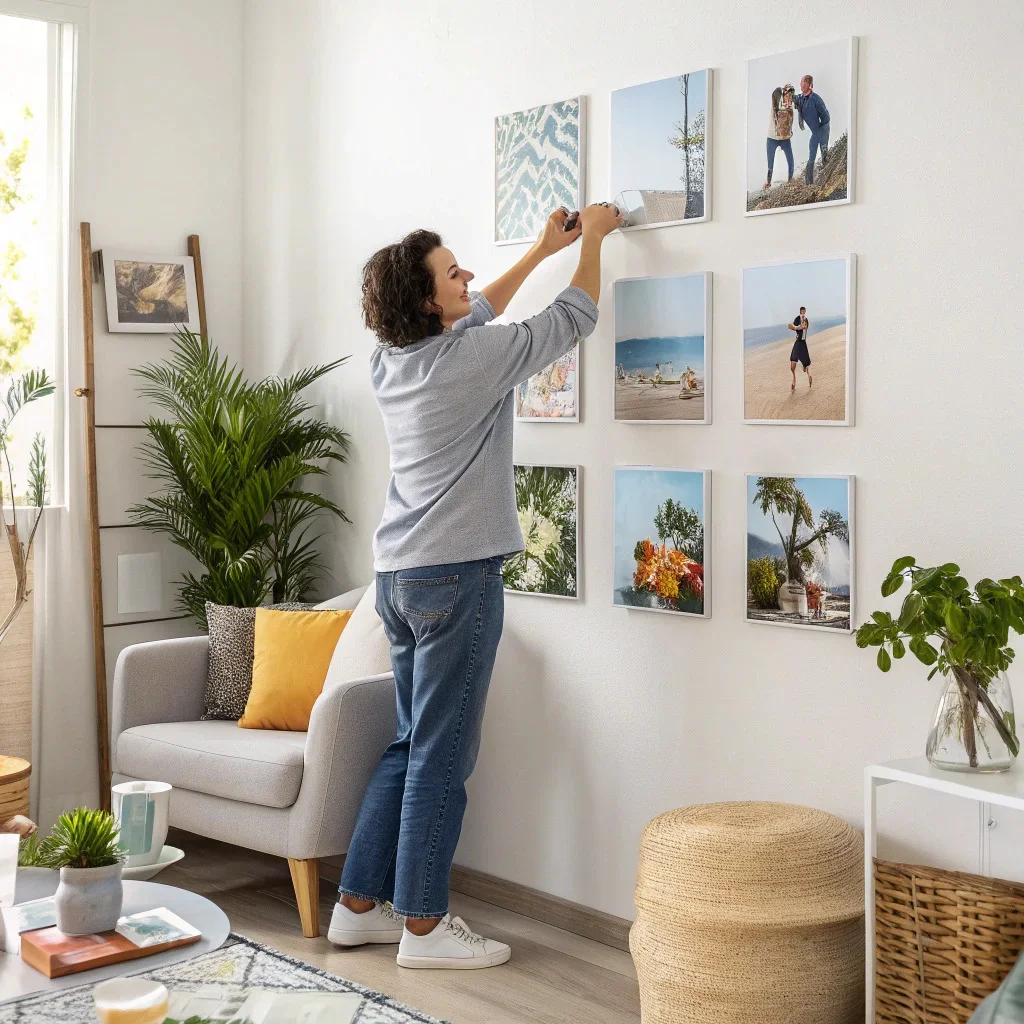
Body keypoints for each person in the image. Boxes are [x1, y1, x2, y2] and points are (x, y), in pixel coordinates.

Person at [327, 203, 624, 970]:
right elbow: (573, 318)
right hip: (455, 577)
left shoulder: (391, 360)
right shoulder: (471, 360)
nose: (466, 277)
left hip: (397, 577)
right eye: (451, 272)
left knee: (409, 743)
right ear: (428, 303)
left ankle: (357, 907)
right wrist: (591, 241)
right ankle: (424, 929)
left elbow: (480, 311)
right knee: (441, 757)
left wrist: (538, 250)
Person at [794, 74, 830, 184]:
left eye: (805, 84)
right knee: (812, 155)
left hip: (823, 128)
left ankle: (826, 178)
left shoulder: (816, 99)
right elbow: (790, 98)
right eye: (801, 83)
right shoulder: (800, 99)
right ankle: (809, 184)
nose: (802, 86)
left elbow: (826, 116)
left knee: (823, 152)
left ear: (810, 85)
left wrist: (820, 131)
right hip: (816, 131)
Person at [763, 84, 795, 189]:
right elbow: (777, 94)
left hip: (785, 139)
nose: (788, 97)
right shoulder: (776, 108)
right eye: (785, 95)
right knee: (770, 165)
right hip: (772, 139)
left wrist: (788, 92)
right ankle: (768, 184)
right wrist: (783, 91)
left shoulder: (789, 106)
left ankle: (790, 182)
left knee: (791, 163)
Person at [787, 306, 812, 390]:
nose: (803, 312)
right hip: (801, 343)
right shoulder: (800, 319)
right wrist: (797, 327)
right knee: (801, 363)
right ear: (801, 311)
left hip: (800, 343)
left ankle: (797, 377)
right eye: (803, 311)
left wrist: (800, 327)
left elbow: (804, 327)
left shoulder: (805, 320)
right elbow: (790, 325)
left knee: (797, 362)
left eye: (804, 311)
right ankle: (804, 374)